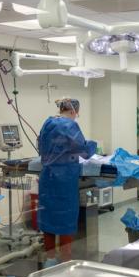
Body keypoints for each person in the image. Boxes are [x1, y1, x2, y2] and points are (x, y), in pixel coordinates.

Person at [38, 97, 96, 267]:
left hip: (47, 177)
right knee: (65, 219)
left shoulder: (48, 123)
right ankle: (65, 261)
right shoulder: (69, 125)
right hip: (64, 179)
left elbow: (41, 147)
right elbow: (83, 150)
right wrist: (93, 145)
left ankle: (50, 259)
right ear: (73, 111)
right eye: (77, 113)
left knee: (48, 218)